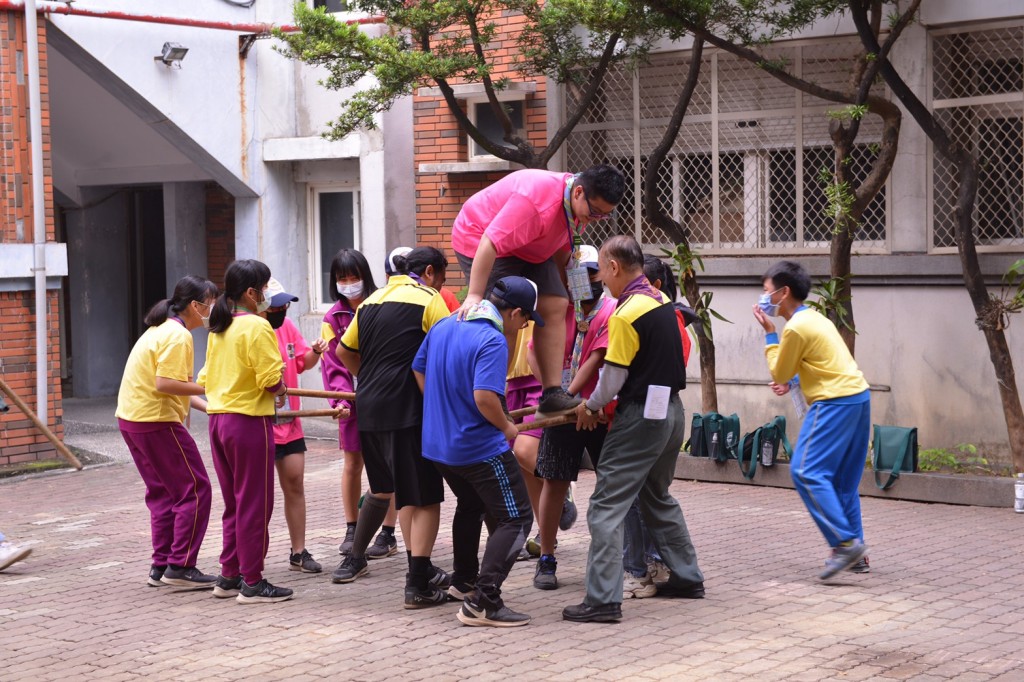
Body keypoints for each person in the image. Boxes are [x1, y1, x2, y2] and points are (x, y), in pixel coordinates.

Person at [563, 236, 703, 623]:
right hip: (672, 413)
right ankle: (687, 577)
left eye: (603, 272)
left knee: (606, 504)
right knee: (657, 496)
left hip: (641, 416)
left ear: (613, 267)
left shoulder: (624, 314)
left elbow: (614, 375)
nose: (602, 283)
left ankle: (602, 599)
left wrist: (589, 407)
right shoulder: (660, 301)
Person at [413, 276, 544, 627]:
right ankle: (484, 600)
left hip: (438, 446)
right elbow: (485, 397)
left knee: (472, 504)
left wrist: (443, 406)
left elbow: (418, 367)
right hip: (477, 445)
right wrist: (506, 426)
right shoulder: (491, 338)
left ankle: (463, 580)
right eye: (526, 319)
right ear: (515, 313)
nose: (525, 326)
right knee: (516, 517)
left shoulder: (445, 324)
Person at [451, 164, 626, 416]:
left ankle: (552, 392)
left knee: (555, 302)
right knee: (507, 314)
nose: (596, 218)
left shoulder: (577, 208)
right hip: (481, 238)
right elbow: (490, 241)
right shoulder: (536, 203)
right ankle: (494, 393)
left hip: (532, 246)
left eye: (604, 215)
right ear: (578, 192)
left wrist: (565, 285)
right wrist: (475, 295)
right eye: (595, 212)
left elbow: (562, 245)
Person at [332, 246, 453, 609]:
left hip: (369, 408)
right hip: (409, 410)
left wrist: (369, 380)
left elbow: (343, 352)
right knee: (424, 496)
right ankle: (417, 584)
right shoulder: (429, 299)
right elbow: (448, 350)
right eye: (443, 278)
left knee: (383, 486)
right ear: (429, 272)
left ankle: (369, 560)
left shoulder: (370, 301)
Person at [752, 260, 870, 580]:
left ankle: (845, 544)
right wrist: (792, 383)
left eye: (766, 292)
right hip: (858, 397)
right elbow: (819, 363)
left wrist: (769, 335)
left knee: (805, 470)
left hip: (833, 403)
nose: (764, 300)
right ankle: (856, 554)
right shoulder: (816, 319)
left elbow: (780, 370)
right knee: (843, 482)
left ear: (783, 292)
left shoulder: (795, 327)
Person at [115, 275, 219, 590]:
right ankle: (181, 566)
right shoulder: (178, 336)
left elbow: (179, 389)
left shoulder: (161, 329)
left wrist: (211, 405)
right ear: (196, 305)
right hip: (155, 421)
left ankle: (161, 566)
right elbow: (166, 384)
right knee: (196, 490)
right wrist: (214, 384)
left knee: (163, 493)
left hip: (132, 419)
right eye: (211, 303)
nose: (214, 309)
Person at [198, 259, 292, 604]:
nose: (268, 294)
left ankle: (229, 574)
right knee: (255, 503)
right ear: (251, 293)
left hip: (219, 420)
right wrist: (281, 391)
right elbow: (270, 380)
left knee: (235, 503)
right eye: (265, 288)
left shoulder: (220, 326)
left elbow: (205, 379)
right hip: (248, 422)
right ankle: (252, 580)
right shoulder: (256, 325)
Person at [531, 244, 614, 590]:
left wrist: (584, 404)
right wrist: (555, 395)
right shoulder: (557, 310)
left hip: (598, 412)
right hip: (562, 415)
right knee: (554, 480)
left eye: (592, 273)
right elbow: (534, 352)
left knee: (610, 483)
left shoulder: (611, 310)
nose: (585, 280)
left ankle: (613, 558)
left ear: (603, 274)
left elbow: (600, 357)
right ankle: (546, 556)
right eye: (577, 273)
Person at [320, 249, 400, 561]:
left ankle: (388, 532)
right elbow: (333, 365)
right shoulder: (332, 319)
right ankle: (353, 527)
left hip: (384, 397)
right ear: (335, 282)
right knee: (353, 465)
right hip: (351, 404)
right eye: (343, 279)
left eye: (355, 277)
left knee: (389, 467)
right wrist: (341, 400)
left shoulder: (380, 305)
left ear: (366, 277)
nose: (350, 284)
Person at [620, 255, 691, 598]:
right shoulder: (666, 316)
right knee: (652, 494)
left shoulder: (650, 316)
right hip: (664, 412)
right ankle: (661, 567)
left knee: (635, 495)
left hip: (650, 413)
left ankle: (641, 568)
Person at [265, 278, 326, 574]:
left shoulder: (287, 327)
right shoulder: (253, 329)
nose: (283, 308)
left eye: (285, 303)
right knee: (259, 494)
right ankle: (249, 556)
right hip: (260, 422)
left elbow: (302, 361)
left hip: (289, 422)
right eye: (277, 303)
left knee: (295, 483)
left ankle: (298, 552)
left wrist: (315, 350)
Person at [387, 246, 460, 313]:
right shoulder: (433, 299)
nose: (440, 288)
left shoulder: (379, 297)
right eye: (442, 281)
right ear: (428, 272)